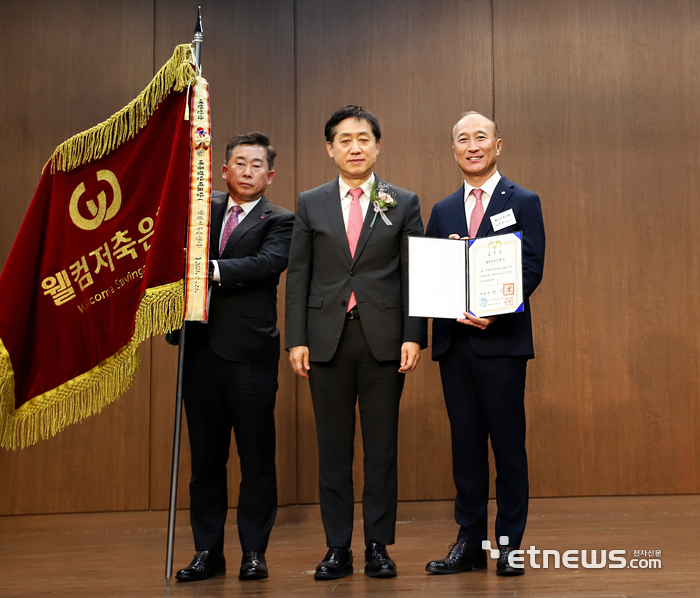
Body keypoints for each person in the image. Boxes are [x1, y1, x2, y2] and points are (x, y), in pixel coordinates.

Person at [285, 105, 426, 580]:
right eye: (344, 140)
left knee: (382, 449)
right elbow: (299, 275)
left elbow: (414, 276)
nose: (354, 147)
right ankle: (337, 547)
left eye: (363, 138)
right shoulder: (310, 202)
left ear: (377, 145)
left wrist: (414, 335)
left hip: (384, 340)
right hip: (325, 341)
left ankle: (378, 546)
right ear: (330, 148)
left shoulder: (402, 202)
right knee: (333, 450)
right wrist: (296, 340)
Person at [424, 112, 545, 576]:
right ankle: (469, 543)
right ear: (453, 151)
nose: (471, 145)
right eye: (461, 139)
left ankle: (509, 546)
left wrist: (495, 310)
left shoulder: (524, 200)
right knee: (466, 448)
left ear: (498, 146)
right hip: (456, 344)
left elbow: (531, 265)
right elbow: (434, 276)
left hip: (502, 342)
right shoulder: (442, 210)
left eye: (480, 138)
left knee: (508, 447)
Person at [174, 132, 294, 582]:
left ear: (269, 175)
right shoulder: (201, 210)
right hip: (200, 350)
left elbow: (267, 264)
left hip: (249, 356)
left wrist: (208, 270)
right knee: (205, 461)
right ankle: (207, 552)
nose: (246, 172)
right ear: (223, 170)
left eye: (256, 165)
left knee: (256, 459)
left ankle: (253, 553)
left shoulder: (280, 219)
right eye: (238, 164)